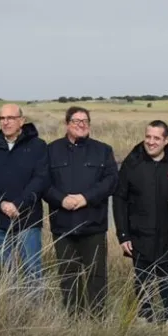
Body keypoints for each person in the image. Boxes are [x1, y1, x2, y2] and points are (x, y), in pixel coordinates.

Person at [44, 106, 118, 318]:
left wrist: (85, 198)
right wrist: (61, 199)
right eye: (76, 121)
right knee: (68, 275)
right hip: (63, 226)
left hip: (93, 225)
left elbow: (111, 181)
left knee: (96, 275)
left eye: (85, 120)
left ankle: (97, 318)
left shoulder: (103, 150)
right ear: (67, 124)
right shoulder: (52, 150)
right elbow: (43, 183)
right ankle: (73, 318)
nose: (81, 124)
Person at [113, 120, 168, 331]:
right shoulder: (132, 163)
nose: (151, 142)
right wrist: (123, 235)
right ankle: (144, 318)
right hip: (138, 235)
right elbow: (119, 199)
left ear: (166, 140)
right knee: (142, 279)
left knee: (167, 281)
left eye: (156, 138)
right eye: (148, 137)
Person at [0, 103, 49, 288]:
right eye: (2, 118)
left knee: (32, 270)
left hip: (28, 220)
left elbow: (40, 179)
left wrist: (18, 204)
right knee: (6, 271)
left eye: (10, 118)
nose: (6, 122)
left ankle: (34, 313)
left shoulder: (38, 146)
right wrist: (1, 204)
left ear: (21, 121)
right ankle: (9, 312)